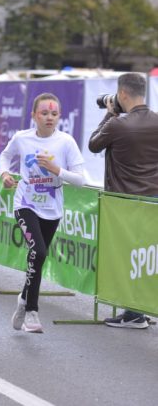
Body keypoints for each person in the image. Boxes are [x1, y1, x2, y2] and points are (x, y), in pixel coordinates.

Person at [0, 93, 86, 333]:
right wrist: (5, 175)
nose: (49, 117)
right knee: (38, 251)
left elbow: (80, 180)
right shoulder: (22, 138)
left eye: (54, 114)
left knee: (38, 258)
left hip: (52, 208)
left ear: (59, 116)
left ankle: (24, 298)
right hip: (25, 204)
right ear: (33, 116)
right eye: (44, 113)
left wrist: (56, 169)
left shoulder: (66, 142)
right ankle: (32, 312)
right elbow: (5, 156)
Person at [89, 72, 158, 329]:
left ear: (122, 94)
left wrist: (109, 113)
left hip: (125, 200)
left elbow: (93, 144)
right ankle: (140, 308)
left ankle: (133, 315)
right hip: (153, 200)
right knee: (147, 256)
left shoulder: (118, 124)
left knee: (130, 256)